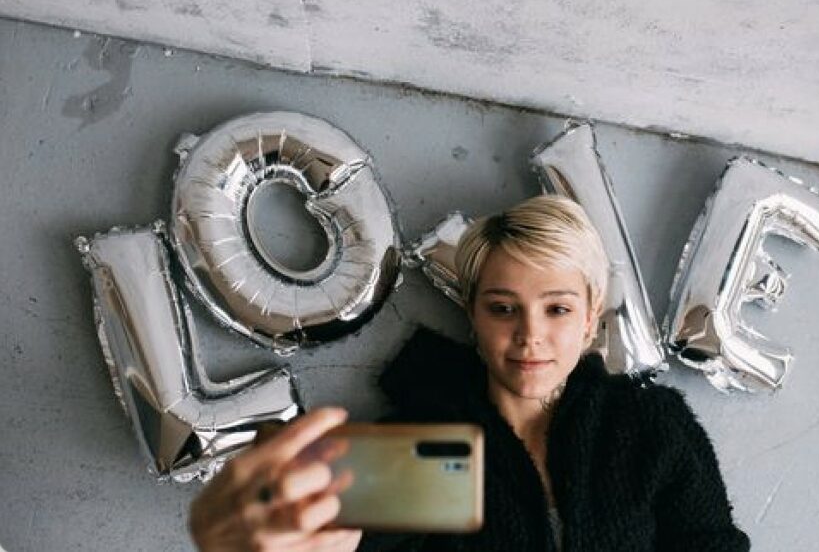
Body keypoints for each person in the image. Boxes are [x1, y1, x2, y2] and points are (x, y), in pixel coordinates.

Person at [190, 195, 750, 552]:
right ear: (473, 317)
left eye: (557, 308)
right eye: (503, 308)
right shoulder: (414, 446)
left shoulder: (651, 426)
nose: (530, 335)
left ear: (588, 319)